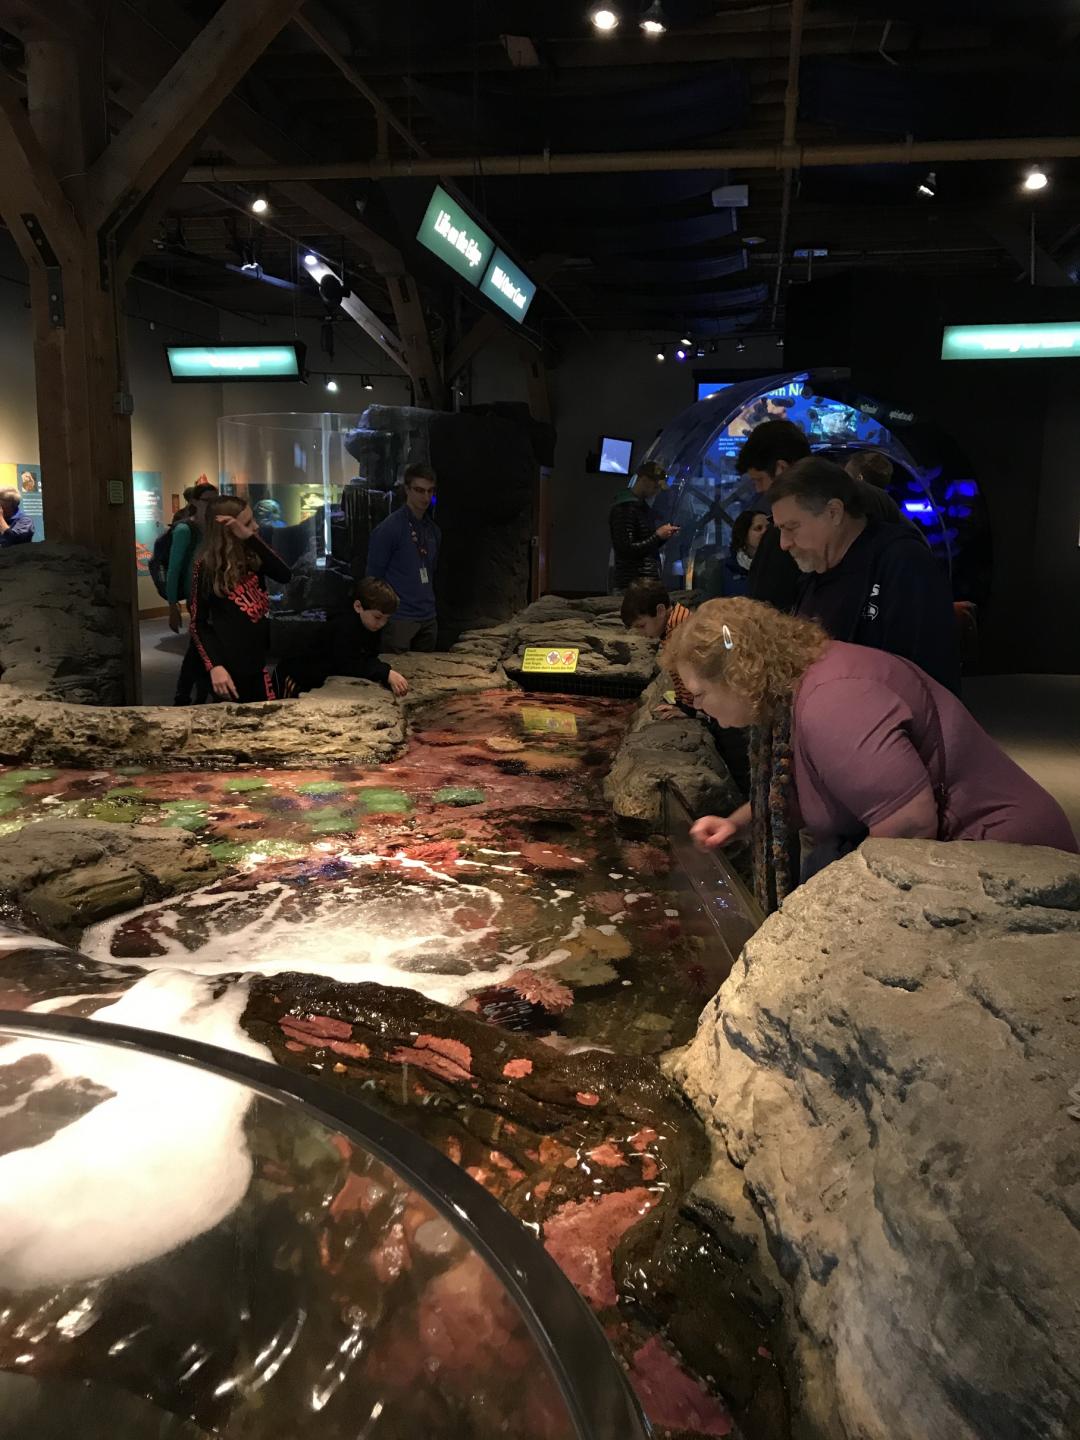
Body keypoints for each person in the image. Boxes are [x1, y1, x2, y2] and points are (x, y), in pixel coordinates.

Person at [664, 598, 1077, 913]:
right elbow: (810, 784)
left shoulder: (833, 702)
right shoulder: (801, 678)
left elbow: (909, 828)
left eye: (700, 695)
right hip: (970, 853)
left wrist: (837, 912)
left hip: (1006, 861)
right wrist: (736, 824)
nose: (701, 709)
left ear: (739, 676)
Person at [768, 456, 960, 693]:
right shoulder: (812, 574)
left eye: (791, 527)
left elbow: (928, 681)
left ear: (834, 512)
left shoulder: (903, 563)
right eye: (780, 530)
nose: (783, 544)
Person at [737, 421, 909, 611]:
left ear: (834, 513)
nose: (785, 544)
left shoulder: (897, 554)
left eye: (758, 480)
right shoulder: (868, 496)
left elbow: (764, 608)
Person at [189, 496, 292, 703]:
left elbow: (284, 574)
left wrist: (250, 538)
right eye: (247, 524)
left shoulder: (252, 557)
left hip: (256, 663)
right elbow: (197, 623)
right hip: (227, 668)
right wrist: (214, 666)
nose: (255, 527)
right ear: (228, 530)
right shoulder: (207, 568)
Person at [278, 577, 409, 699]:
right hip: (296, 675)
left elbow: (365, 656)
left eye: (386, 619)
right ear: (358, 607)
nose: (381, 624)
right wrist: (385, 672)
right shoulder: (343, 625)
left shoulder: (369, 623)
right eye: (378, 617)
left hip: (321, 676)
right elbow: (348, 663)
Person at [366, 463, 440, 654]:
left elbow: (432, 570)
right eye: (419, 490)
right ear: (407, 489)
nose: (426, 497)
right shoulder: (390, 528)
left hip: (428, 617)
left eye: (430, 491)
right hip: (399, 618)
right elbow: (373, 576)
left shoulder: (433, 530)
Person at [166, 481, 218, 705]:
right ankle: (189, 692)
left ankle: (193, 693)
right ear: (195, 501)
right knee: (200, 643)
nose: (213, 505)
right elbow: (174, 568)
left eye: (216, 500)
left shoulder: (215, 528)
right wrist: (172, 606)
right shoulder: (185, 530)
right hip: (196, 595)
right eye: (209, 501)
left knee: (202, 644)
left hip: (214, 594)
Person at [620, 579, 693, 710]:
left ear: (660, 611)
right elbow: (677, 674)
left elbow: (689, 674)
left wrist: (688, 709)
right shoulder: (671, 626)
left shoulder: (682, 629)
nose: (641, 633)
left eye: (642, 626)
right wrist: (680, 703)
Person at [608, 459, 679, 593]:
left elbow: (644, 546)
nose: (656, 492)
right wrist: (657, 536)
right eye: (655, 487)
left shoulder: (641, 507)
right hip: (632, 584)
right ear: (644, 480)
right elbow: (626, 549)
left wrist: (663, 536)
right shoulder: (624, 508)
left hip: (645, 582)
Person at [719, 509, 770, 597]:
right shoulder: (726, 569)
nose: (765, 531)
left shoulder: (782, 563)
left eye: (769, 528)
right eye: (758, 528)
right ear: (744, 534)